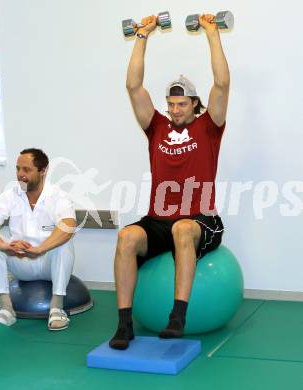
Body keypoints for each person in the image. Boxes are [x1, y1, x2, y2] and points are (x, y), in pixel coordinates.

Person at [109, 14, 230, 349]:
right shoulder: (157, 127)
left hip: (201, 220)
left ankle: (177, 317)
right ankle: (124, 325)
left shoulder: (209, 127)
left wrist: (212, 33)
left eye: (182, 104)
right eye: (172, 104)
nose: (175, 110)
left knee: (182, 229)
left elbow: (221, 84)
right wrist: (142, 35)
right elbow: (133, 86)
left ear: (195, 104)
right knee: (126, 237)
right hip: (158, 219)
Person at [0, 148, 77, 331]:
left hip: (48, 263)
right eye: (18, 169)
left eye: (26, 170)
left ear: (43, 171)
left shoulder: (58, 196)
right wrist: (4, 245)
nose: (20, 175)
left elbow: (68, 225)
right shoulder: (10, 195)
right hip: (21, 261)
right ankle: (6, 308)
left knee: (64, 244)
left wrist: (41, 249)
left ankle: (56, 307)